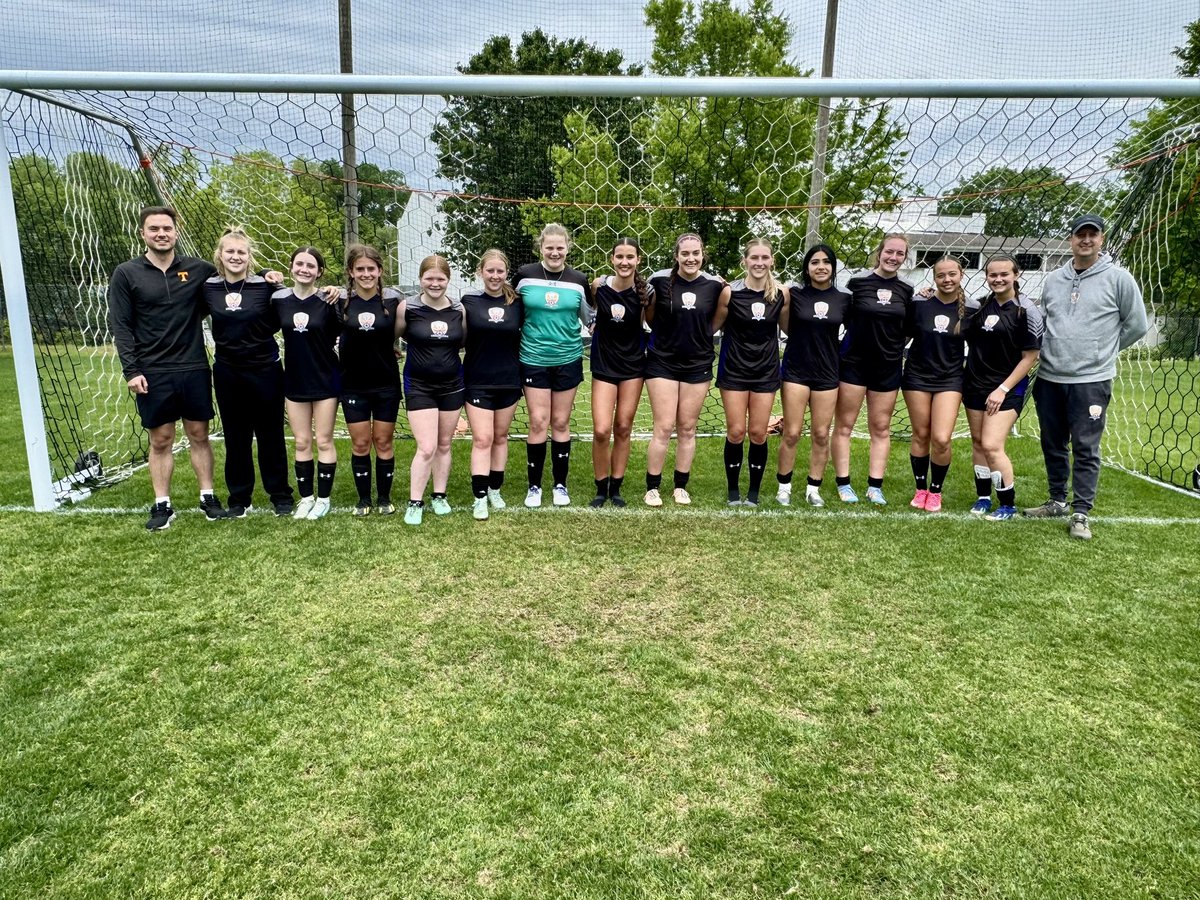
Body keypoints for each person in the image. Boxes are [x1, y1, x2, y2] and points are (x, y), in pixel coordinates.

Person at [1024, 214, 1148, 540]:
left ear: (1102, 240)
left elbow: (1137, 325)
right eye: (1081, 235)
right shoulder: (1053, 279)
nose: (1086, 240)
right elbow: (1043, 320)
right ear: (1071, 239)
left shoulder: (1119, 279)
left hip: (1091, 380)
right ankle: (1056, 500)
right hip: (1050, 377)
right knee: (1052, 443)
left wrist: (1102, 352)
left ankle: (1081, 512)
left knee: (1085, 447)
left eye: (1093, 235)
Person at [109, 206, 232, 530]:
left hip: (193, 366)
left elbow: (231, 283)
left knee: (199, 434)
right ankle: (162, 504)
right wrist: (131, 370)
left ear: (176, 232)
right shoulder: (126, 273)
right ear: (143, 233)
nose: (161, 233)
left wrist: (270, 278)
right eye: (154, 229)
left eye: (166, 228)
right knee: (161, 439)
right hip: (152, 371)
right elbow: (121, 325)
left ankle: (208, 497)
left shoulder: (199, 269)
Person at [203, 228, 295, 518]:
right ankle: (239, 497)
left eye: (241, 252)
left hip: (265, 368)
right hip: (228, 372)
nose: (235, 256)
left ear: (249, 257)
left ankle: (280, 494)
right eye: (230, 251)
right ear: (220, 255)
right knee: (236, 436)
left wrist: (271, 273)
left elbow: (292, 309)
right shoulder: (208, 287)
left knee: (271, 434)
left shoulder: (265, 286)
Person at [644, 233, 731, 506]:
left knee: (688, 427)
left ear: (702, 255)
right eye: (685, 254)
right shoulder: (658, 281)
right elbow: (649, 316)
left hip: (698, 363)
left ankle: (680, 486)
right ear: (676, 256)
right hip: (662, 362)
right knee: (664, 426)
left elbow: (717, 319)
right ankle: (652, 487)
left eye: (696, 253)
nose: (690, 258)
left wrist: (701, 337)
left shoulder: (715, 286)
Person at [831, 233, 915, 505]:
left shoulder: (908, 290)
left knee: (880, 428)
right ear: (879, 253)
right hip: (854, 364)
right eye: (889, 251)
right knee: (844, 425)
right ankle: (843, 483)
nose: (893, 257)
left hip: (888, 367)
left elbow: (909, 329)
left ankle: (874, 486)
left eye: (899, 254)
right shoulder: (856, 283)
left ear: (905, 258)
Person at [514, 223, 593, 508]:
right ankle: (534, 487)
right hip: (533, 359)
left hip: (567, 359)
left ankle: (560, 485)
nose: (555, 252)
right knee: (538, 421)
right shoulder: (524, 276)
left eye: (560, 247)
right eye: (550, 247)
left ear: (568, 248)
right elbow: (513, 313)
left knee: (560, 422)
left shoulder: (579, 279)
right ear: (541, 248)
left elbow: (590, 318)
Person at [963, 255, 1042, 521]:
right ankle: (984, 497)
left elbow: (1030, 357)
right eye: (992, 275)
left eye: (1004, 274)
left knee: (992, 445)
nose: (998, 279)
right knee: (977, 443)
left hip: (1006, 390)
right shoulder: (980, 306)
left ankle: (1007, 504)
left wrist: (1003, 389)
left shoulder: (1026, 310)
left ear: (1016, 275)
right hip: (974, 385)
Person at [776, 243, 850, 508]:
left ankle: (813, 488)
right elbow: (785, 326)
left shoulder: (844, 298)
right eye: (815, 262)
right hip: (796, 371)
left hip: (828, 374)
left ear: (832, 267)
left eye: (826, 262)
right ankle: (783, 487)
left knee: (821, 433)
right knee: (792, 432)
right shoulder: (793, 294)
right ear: (807, 268)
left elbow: (853, 331)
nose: (821, 267)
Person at [902, 256, 976, 513]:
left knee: (942, 438)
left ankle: (936, 490)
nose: (947, 279)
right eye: (941, 275)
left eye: (952, 274)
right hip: (916, 377)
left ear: (961, 274)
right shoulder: (920, 304)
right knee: (921, 434)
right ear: (934, 278)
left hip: (950, 379)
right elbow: (901, 336)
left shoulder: (972, 309)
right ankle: (921, 488)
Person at [397, 255, 466, 526]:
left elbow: (464, 340)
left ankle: (439, 495)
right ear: (420, 279)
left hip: (452, 384)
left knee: (445, 444)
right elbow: (398, 334)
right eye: (429, 278)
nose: (435, 283)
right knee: (426, 447)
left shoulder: (458, 310)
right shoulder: (408, 308)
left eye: (440, 279)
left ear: (448, 280)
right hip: (419, 385)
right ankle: (415, 501)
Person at [717, 238, 786, 507]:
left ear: (772, 261)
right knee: (735, 432)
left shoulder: (781, 294)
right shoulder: (729, 293)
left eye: (764, 258)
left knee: (758, 433)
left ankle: (753, 493)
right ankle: (734, 491)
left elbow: (789, 328)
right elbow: (713, 326)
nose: (759, 263)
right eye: (753, 258)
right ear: (744, 261)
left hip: (766, 371)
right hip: (734, 369)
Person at [275, 246, 341, 520]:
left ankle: (323, 499)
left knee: (324, 440)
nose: (304, 269)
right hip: (295, 380)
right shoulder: (279, 300)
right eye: (299, 264)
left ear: (320, 272)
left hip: (325, 379)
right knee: (302, 441)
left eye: (311, 266)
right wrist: (267, 273)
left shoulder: (329, 300)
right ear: (291, 267)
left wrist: (337, 290)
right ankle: (306, 499)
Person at [339, 244, 403, 517]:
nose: (366, 274)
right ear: (351, 272)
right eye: (360, 269)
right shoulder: (339, 302)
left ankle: (384, 498)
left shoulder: (394, 302)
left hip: (386, 383)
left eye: (371, 269)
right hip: (353, 384)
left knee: (383, 441)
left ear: (380, 271)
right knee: (361, 443)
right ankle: (364, 499)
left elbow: (402, 331)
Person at [462, 249, 523, 520]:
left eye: (500, 271)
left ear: (506, 273)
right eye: (490, 271)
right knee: (482, 438)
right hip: (477, 380)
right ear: (481, 272)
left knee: (500, 437)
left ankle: (495, 489)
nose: (495, 276)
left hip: (509, 379)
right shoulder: (468, 302)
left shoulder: (517, 303)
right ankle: (479, 497)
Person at [588, 237, 649, 508]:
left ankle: (616, 487)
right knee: (601, 430)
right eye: (620, 257)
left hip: (633, 367)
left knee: (623, 427)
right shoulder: (598, 286)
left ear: (638, 260)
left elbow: (654, 323)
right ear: (611, 259)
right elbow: (589, 313)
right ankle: (601, 487)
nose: (625, 262)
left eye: (630, 257)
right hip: (603, 363)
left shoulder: (646, 293)